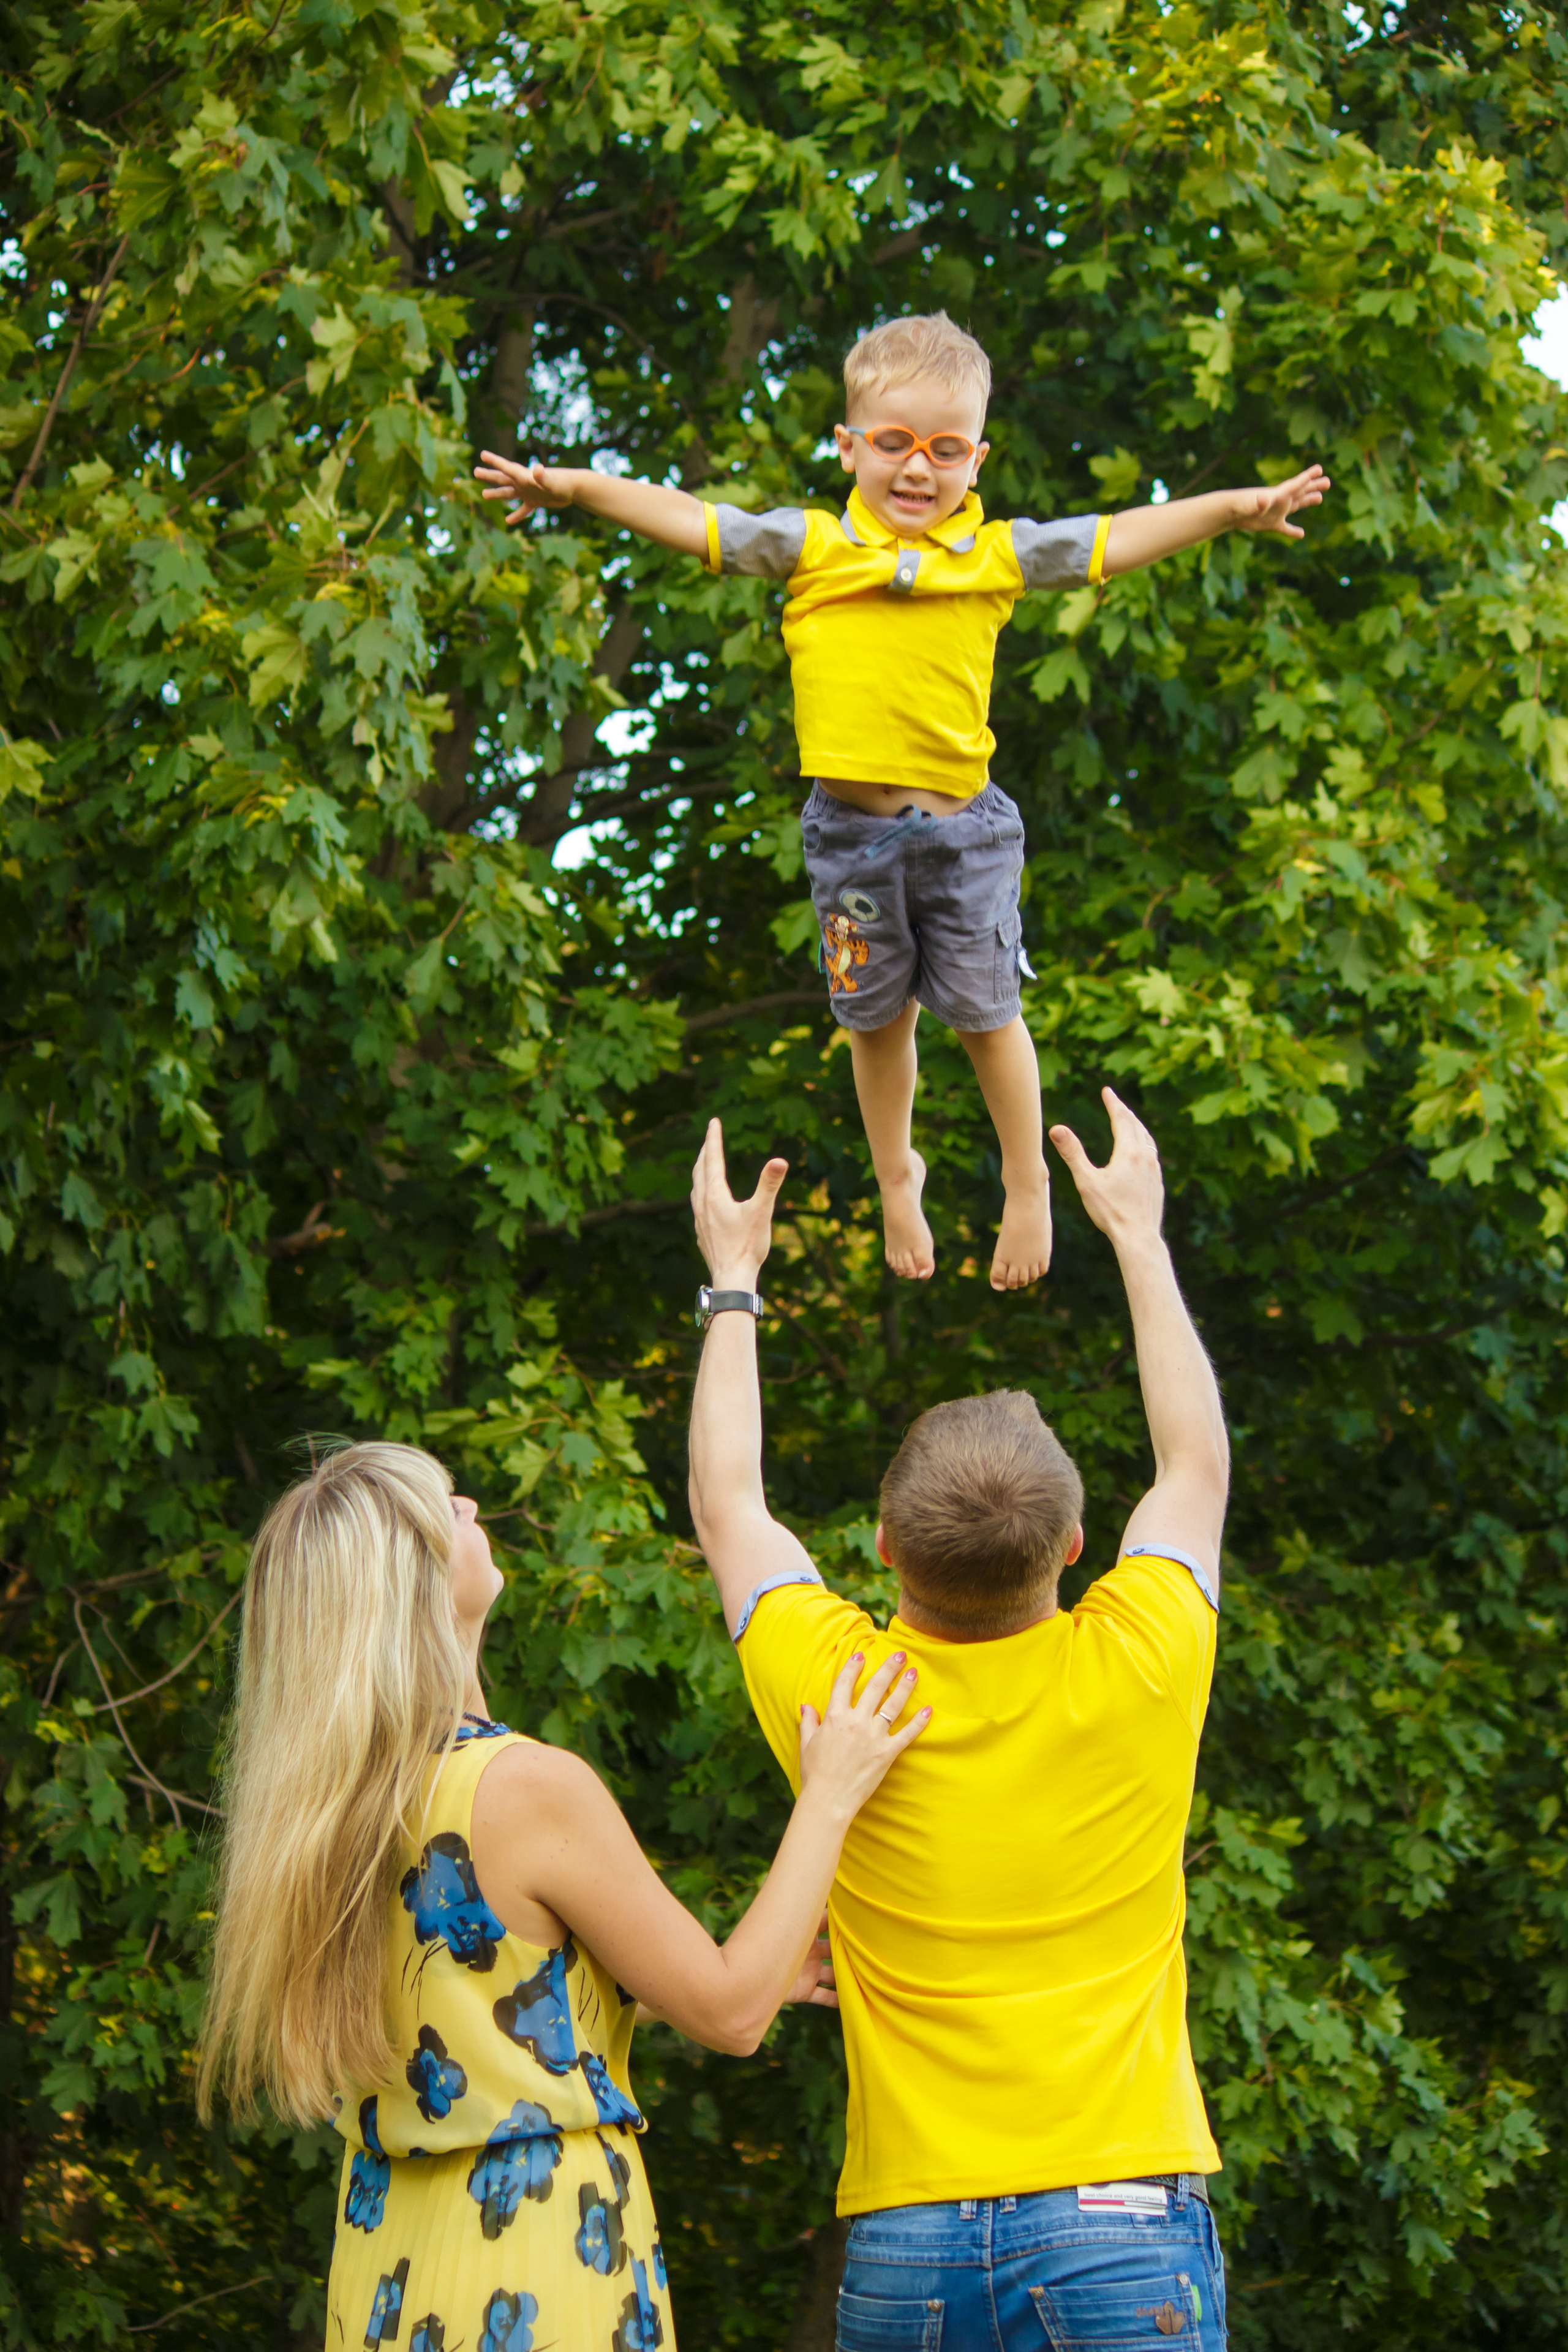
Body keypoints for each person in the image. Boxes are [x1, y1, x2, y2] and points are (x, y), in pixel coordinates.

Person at [475, 312, 1328, 1292]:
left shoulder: (994, 556)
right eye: (893, 443)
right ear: (849, 445)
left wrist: (1233, 508)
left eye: (945, 449)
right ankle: (896, 1178)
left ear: (976, 459)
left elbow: (1117, 536)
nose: (918, 469)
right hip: (851, 841)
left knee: (987, 1016)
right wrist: (573, 487)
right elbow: (692, 517)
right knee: (875, 1025)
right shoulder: (813, 547)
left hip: (964, 837)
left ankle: (1026, 1182)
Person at [685, 1090, 1232, 2350]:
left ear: (881, 1549)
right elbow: (1194, 1468)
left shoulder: (848, 1699)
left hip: (909, 2237)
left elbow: (726, 1503)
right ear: (1077, 1548)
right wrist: (1135, 1238)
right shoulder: (1142, 1659)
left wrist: (732, 1280)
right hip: (1120, 2218)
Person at [196, 1440, 934, 2352]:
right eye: (445, 1507)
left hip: (388, 2256)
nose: (470, 1503)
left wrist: (648, 1994)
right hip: (536, 2252)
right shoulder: (522, 1787)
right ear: (414, 1585)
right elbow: (736, 2013)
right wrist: (829, 1794)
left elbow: (471, 2002)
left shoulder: (327, 1810)